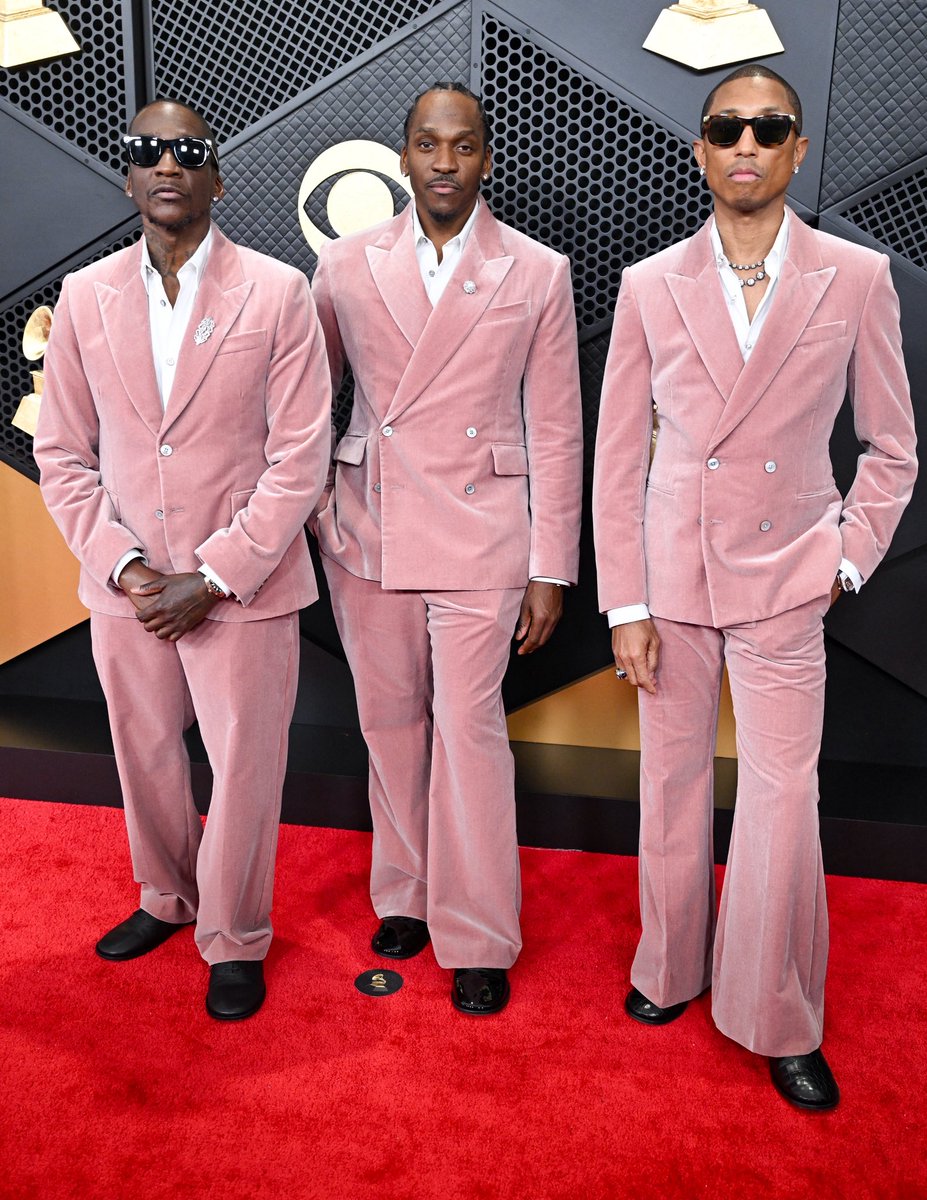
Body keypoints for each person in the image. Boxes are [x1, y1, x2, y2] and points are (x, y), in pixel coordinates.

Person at [593, 64, 916, 1108]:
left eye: (767, 128)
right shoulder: (649, 283)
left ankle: (776, 1012)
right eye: (727, 128)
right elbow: (617, 457)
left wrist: (845, 556)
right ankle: (669, 966)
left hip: (787, 576)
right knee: (671, 783)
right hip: (672, 580)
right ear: (700, 148)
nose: (746, 144)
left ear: (796, 149)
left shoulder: (855, 276)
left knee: (781, 800)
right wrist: (626, 602)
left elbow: (892, 448)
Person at [34, 99, 332, 1021]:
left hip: (240, 588)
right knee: (145, 753)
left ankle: (235, 935)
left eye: (188, 151)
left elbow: (301, 457)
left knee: (244, 767)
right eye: (148, 150)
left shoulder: (278, 291)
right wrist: (127, 569)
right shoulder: (84, 296)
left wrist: (212, 576)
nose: (167, 165)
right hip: (127, 591)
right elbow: (62, 455)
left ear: (217, 177)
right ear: (127, 175)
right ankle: (166, 896)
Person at [311, 82, 583, 1014]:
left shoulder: (536, 270)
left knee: (467, 735)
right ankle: (406, 895)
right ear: (403, 157)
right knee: (389, 725)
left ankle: (477, 932)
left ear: (485, 159)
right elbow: (303, 403)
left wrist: (550, 566)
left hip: (484, 533)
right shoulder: (344, 264)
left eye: (462, 146)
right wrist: (318, 509)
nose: (443, 161)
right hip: (369, 529)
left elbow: (556, 429)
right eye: (428, 144)